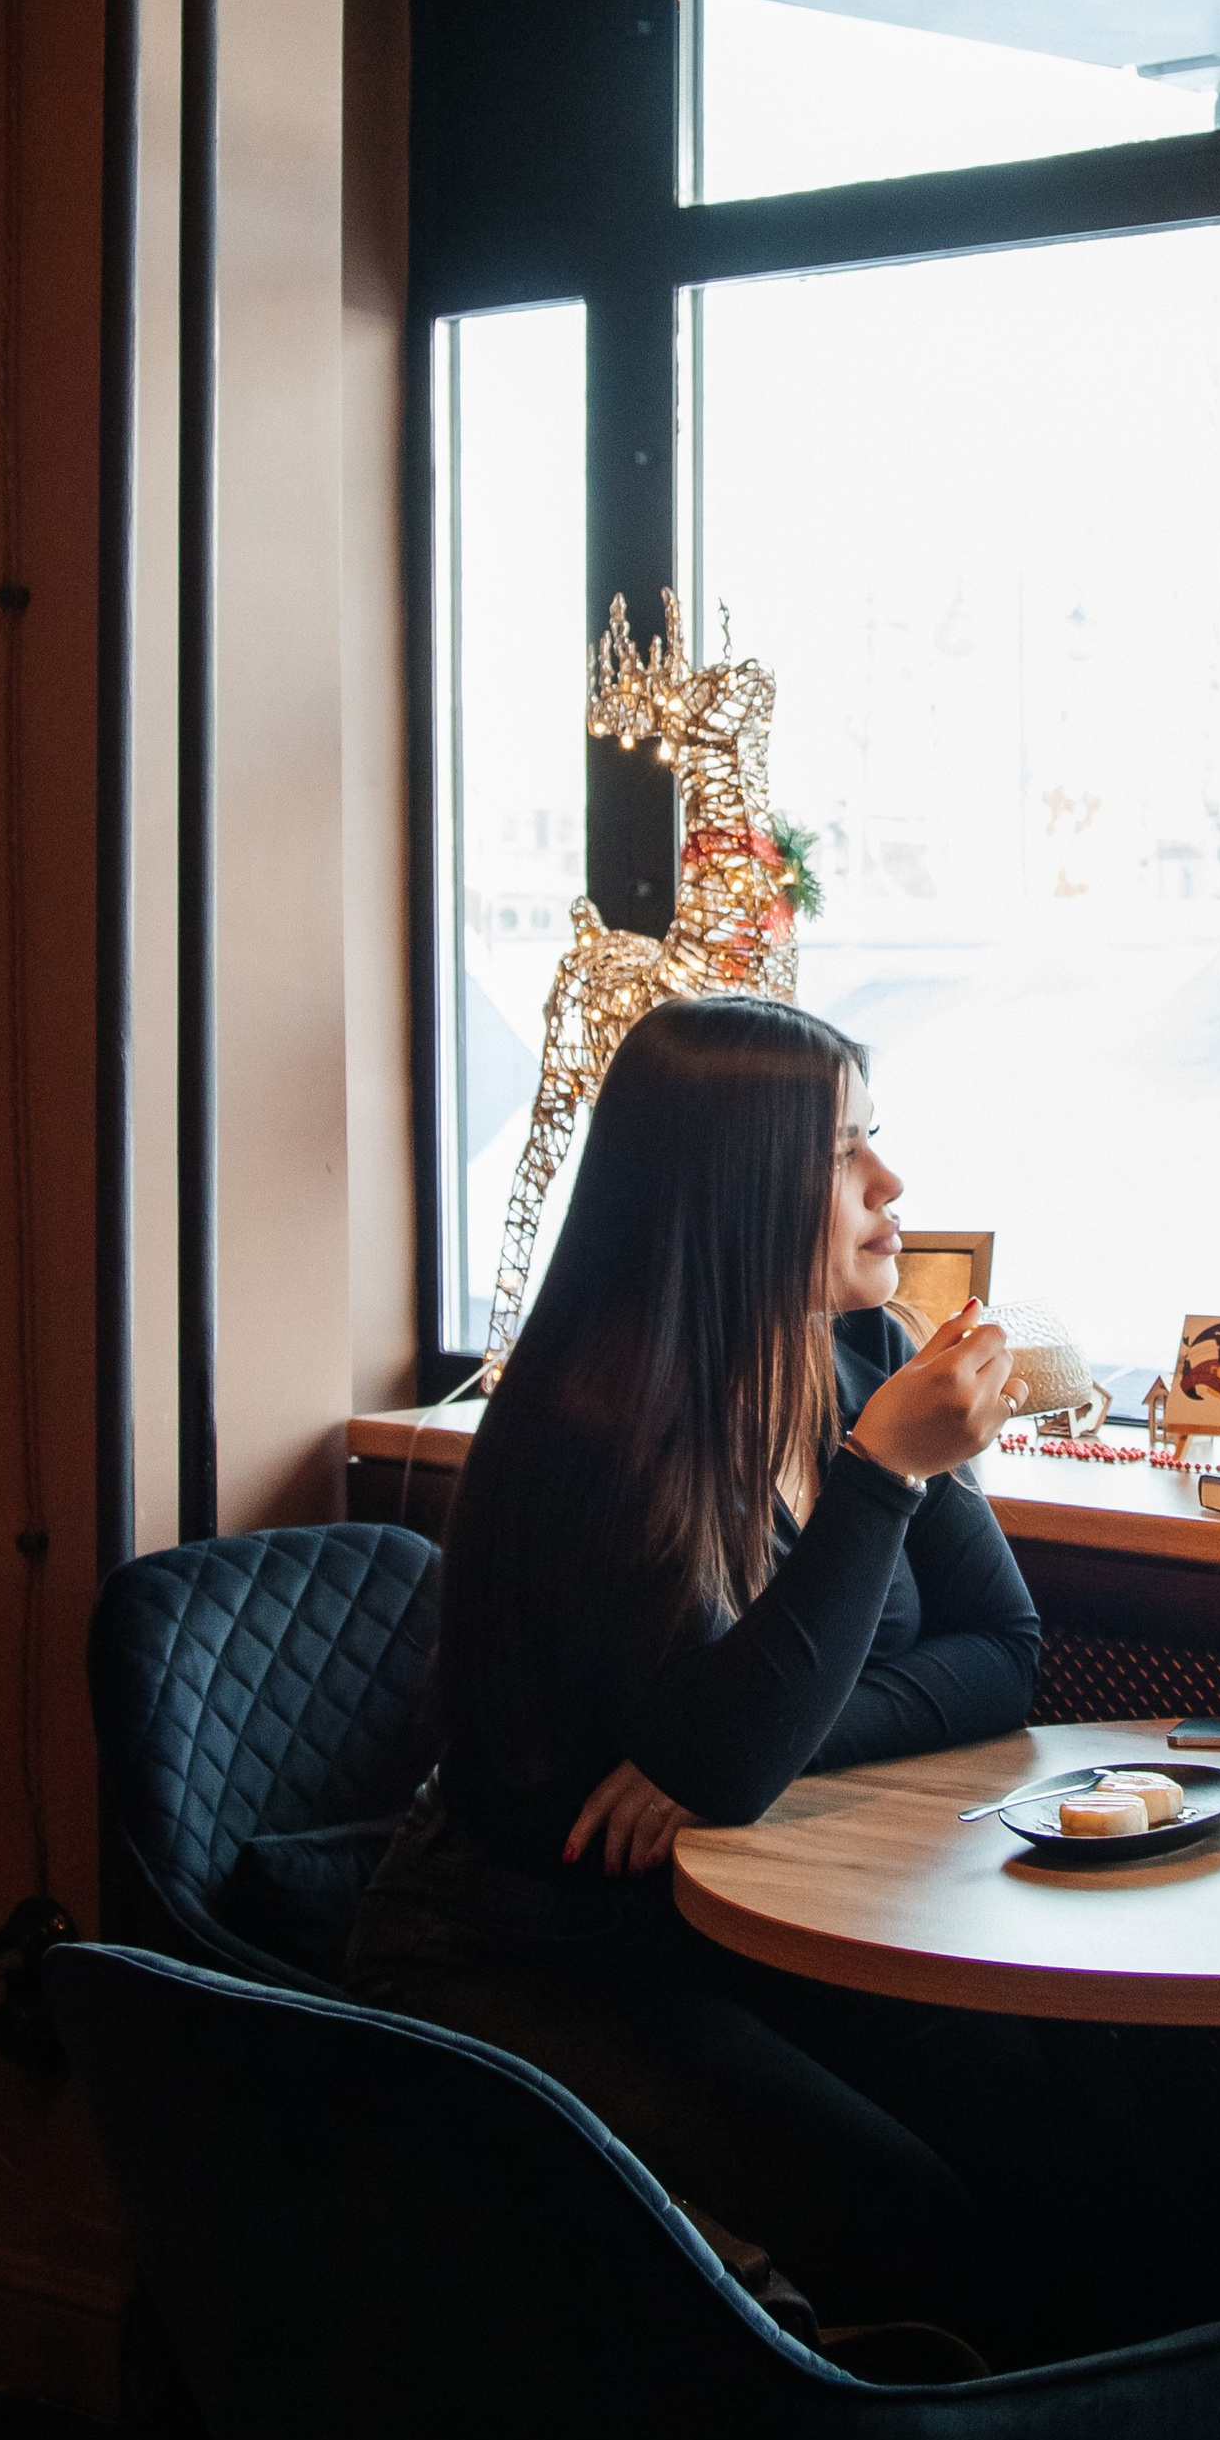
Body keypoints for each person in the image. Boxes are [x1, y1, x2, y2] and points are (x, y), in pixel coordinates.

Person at [350, 994, 1055, 2343]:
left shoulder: (859, 1356)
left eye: (876, 1137)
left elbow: (1003, 1653)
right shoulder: (592, 1429)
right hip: (527, 1954)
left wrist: (757, 1748)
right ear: (738, 1185)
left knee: (1043, 2108)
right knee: (901, 2213)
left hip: (733, 1921)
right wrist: (882, 1475)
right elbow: (729, 1762)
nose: (891, 1182)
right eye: (844, 1151)